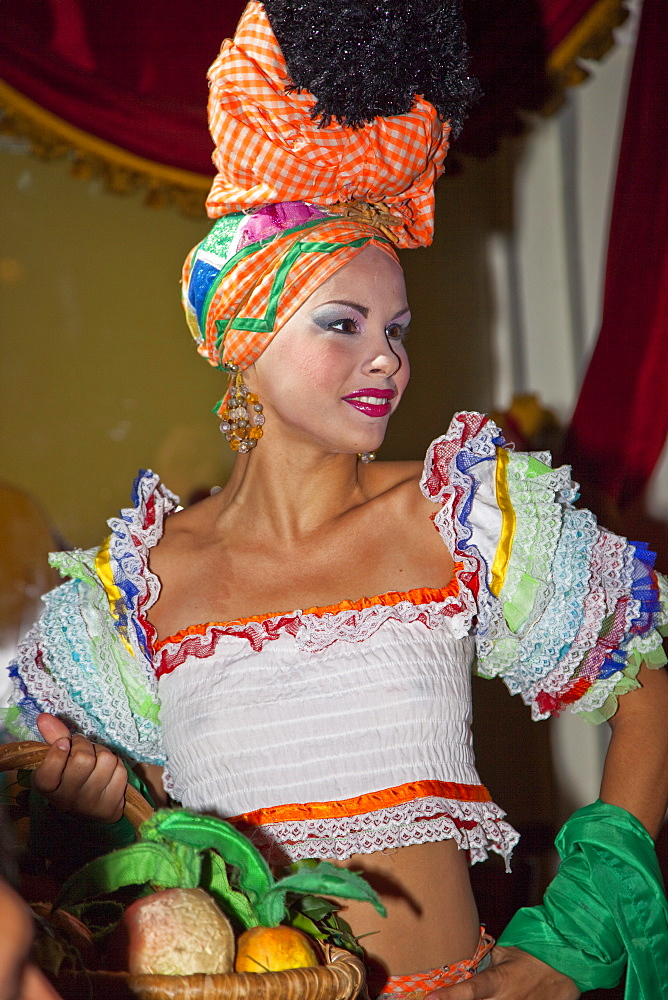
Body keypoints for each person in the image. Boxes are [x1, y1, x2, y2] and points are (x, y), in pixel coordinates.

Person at [5, 3, 668, 998]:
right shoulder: (137, 585)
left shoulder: (456, 513)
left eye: (395, 328)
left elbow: (647, 688)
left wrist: (558, 951)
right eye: (342, 324)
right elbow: (50, 748)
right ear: (243, 336)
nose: (384, 360)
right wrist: (98, 784)